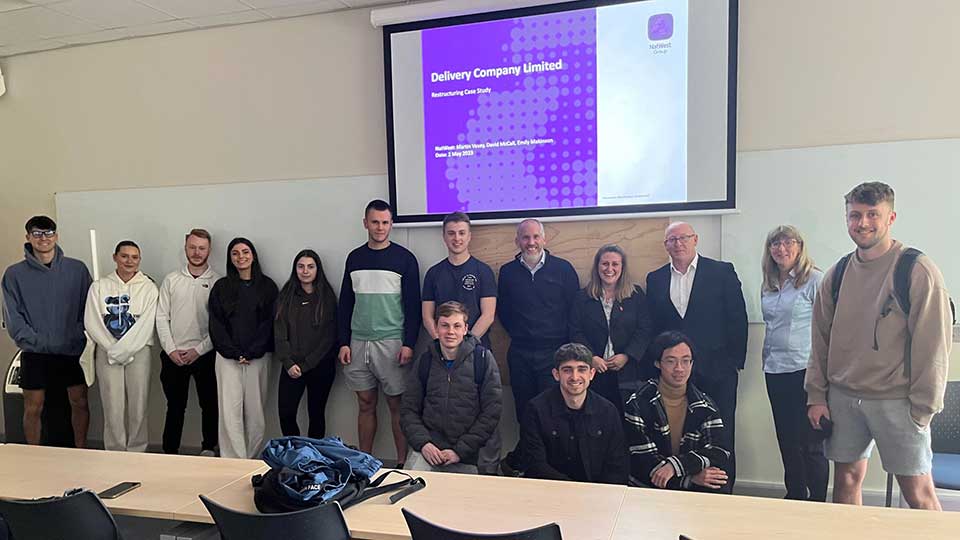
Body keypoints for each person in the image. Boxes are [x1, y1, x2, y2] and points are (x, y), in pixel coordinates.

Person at [805, 182, 952, 510]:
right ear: (846, 219)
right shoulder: (837, 274)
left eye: (874, 214)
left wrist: (923, 408)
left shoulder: (915, 269)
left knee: (919, 493)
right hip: (844, 398)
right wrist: (817, 396)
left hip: (898, 401)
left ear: (891, 218)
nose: (863, 223)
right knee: (845, 483)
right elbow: (820, 342)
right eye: (855, 215)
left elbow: (935, 345)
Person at [645, 221, 747, 486]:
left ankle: (723, 493)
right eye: (671, 240)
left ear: (695, 239)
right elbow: (655, 326)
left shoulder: (721, 271)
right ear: (665, 245)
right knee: (679, 434)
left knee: (722, 434)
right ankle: (685, 486)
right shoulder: (655, 279)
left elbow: (737, 318)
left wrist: (733, 363)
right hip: (675, 375)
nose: (678, 244)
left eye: (683, 238)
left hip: (717, 370)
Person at [338, 199, 421, 466]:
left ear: (391, 224)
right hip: (358, 341)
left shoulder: (405, 259)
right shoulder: (354, 257)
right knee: (365, 404)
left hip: (392, 342)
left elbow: (412, 305)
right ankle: (365, 461)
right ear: (365, 223)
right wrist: (343, 342)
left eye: (385, 222)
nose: (380, 227)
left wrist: (409, 343)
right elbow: (345, 303)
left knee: (397, 406)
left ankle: (400, 463)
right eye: (375, 222)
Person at [421, 211, 502, 473]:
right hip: (440, 355)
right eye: (451, 233)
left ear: (470, 236)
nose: (457, 238)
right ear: (444, 236)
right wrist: (443, 343)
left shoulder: (482, 271)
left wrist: (464, 344)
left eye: (462, 233)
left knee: (483, 409)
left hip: (476, 352)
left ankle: (487, 469)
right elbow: (427, 315)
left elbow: (488, 314)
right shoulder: (434, 273)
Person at [2, 216, 92, 447]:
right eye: (37, 233)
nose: (44, 238)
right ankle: (34, 454)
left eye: (49, 233)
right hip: (35, 352)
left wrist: (74, 338)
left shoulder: (77, 269)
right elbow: (13, 317)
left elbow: (89, 309)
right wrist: (35, 341)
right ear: (28, 237)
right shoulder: (14, 274)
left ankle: (81, 451)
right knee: (33, 407)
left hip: (70, 350)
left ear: (56, 236)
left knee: (79, 402)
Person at [498, 218, 580, 472]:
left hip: (554, 353)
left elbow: (574, 311)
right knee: (524, 410)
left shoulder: (564, 269)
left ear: (544, 239)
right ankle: (530, 462)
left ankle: (552, 464)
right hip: (520, 352)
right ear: (517, 241)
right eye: (525, 237)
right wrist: (522, 334)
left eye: (535, 237)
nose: (530, 242)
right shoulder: (508, 272)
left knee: (553, 410)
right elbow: (504, 311)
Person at [760, 225, 828, 501]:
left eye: (788, 242)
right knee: (787, 441)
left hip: (805, 371)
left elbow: (828, 329)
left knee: (811, 445)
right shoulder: (769, 283)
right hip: (775, 371)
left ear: (799, 247)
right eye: (775, 243)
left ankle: (818, 503)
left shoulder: (815, 280)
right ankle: (796, 495)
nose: (781, 248)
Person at [400, 301, 502, 474]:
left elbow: (491, 413)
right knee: (409, 488)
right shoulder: (425, 361)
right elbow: (408, 410)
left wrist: (459, 451)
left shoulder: (482, 360)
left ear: (465, 329)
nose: (450, 332)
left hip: (471, 454)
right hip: (430, 450)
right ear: (436, 328)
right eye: (444, 326)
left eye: (457, 326)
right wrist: (424, 444)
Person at [623, 331, 731, 492]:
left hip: (685, 483)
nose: (679, 368)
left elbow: (719, 451)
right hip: (649, 485)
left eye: (686, 361)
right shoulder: (638, 402)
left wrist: (675, 467)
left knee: (718, 481)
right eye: (671, 361)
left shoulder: (704, 405)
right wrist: (689, 478)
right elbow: (642, 461)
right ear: (657, 363)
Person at [84, 241, 158, 452]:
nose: (129, 261)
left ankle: (137, 449)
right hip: (107, 352)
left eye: (134, 257)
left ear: (139, 260)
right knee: (112, 405)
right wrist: (112, 348)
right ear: (115, 257)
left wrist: (126, 350)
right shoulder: (99, 287)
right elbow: (92, 321)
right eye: (124, 256)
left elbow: (146, 324)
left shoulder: (149, 288)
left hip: (138, 352)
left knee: (138, 405)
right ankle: (115, 450)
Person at [208, 237, 279, 459]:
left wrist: (251, 352)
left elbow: (269, 323)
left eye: (245, 252)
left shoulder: (268, 287)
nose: (241, 257)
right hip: (227, 359)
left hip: (258, 358)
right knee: (229, 412)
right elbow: (216, 324)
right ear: (230, 258)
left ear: (253, 255)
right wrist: (233, 352)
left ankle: (251, 459)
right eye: (235, 253)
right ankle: (232, 460)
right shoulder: (221, 287)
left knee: (255, 412)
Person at [520, 342, 628, 485]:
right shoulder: (536, 410)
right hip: (550, 492)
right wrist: (574, 492)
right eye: (567, 370)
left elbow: (617, 465)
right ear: (556, 374)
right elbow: (535, 465)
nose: (575, 377)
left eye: (581, 369)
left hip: (598, 495)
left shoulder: (608, 411)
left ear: (591, 374)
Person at [155, 229, 221, 456]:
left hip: (205, 354)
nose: (196, 252)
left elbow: (220, 325)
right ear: (185, 248)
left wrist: (199, 350)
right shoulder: (171, 280)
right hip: (173, 355)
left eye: (202, 248)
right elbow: (161, 316)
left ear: (209, 250)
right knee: (174, 407)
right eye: (192, 247)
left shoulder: (218, 282)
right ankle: (169, 451)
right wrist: (171, 350)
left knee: (209, 405)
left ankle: (208, 448)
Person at [569, 244, 651, 413]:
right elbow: (575, 331)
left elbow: (645, 329)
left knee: (628, 420)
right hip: (593, 372)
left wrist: (627, 355)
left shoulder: (636, 295)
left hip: (628, 372)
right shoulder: (581, 297)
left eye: (615, 264)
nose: (609, 269)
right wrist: (590, 357)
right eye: (605, 264)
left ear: (622, 267)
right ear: (597, 266)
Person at [274, 249, 338, 439]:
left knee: (316, 414)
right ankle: (295, 453)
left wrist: (306, 365)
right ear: (295, 269)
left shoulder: (327, 297)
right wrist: (288, 362)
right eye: (301, 266)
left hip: (320, 366)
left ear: (318, 269)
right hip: (291, 367)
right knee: (286, 413)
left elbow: (329, 336)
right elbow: (279, 332)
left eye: (310, 266)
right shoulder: (286, 295)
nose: (305, 271)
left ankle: (313, 459)